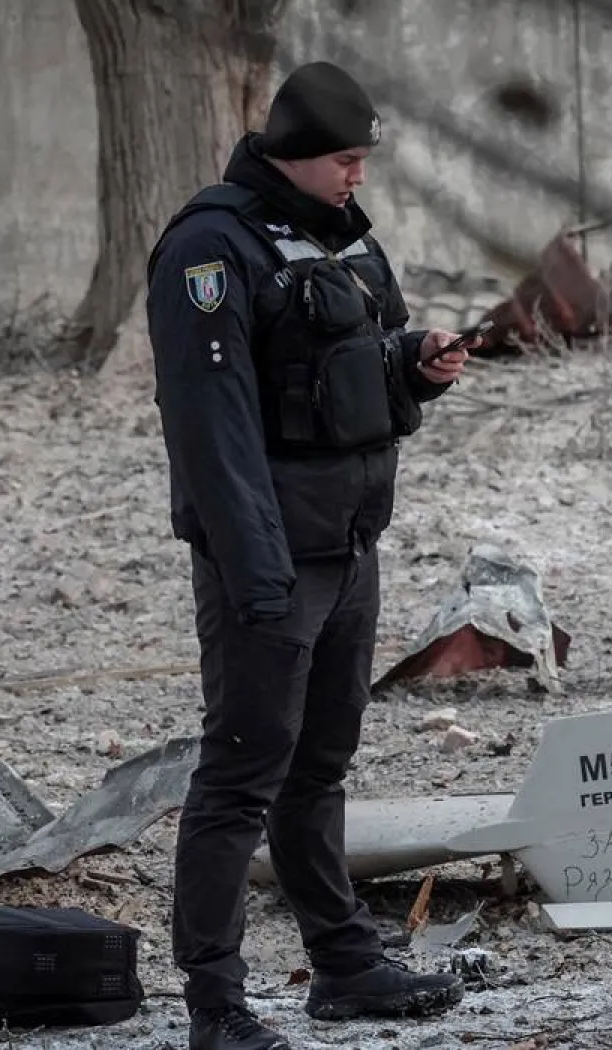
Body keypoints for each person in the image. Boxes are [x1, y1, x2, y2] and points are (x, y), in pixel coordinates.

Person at [145, 60, 481, 1050]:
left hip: (348, 546)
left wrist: (414, 366)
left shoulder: (342, 237)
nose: (358, 177)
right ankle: (215, 1005)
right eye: (344, 160)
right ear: (294, 155)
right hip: (271, 562)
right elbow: (213, 429)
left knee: (320, 768)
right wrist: (255, 574)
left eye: (364, 160)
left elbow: (344, 374)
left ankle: (344, 967)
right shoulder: (210, 248)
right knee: (240, 776)